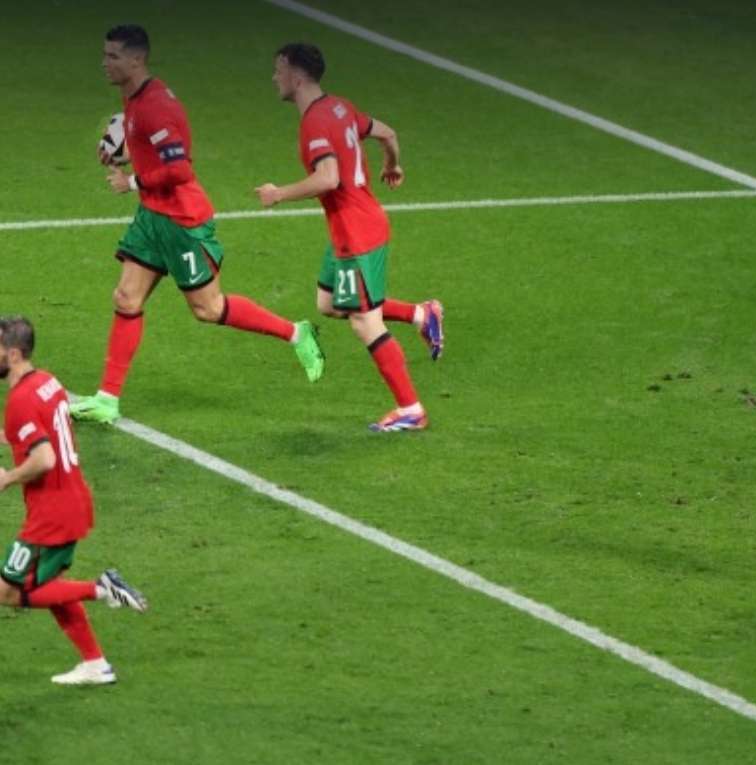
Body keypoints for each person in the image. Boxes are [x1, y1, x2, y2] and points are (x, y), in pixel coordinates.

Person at [70, 24, 325, 425]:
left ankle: (297, 333)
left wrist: (131, 181)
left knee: (208, 309)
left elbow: (180, 170)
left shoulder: (156, 106)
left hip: (182, 222)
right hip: (153, 217)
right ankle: (107, 399)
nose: (105, 63)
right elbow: (156, 149)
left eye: (112, 56)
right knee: (126, 299)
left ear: (136, 60)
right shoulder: (134, 97)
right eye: (105, 54)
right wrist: (127, 152)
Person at [254, 42, 443, 433]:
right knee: (329, 304)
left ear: (297, 76)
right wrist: (392, 165)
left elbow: (328, 178)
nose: (274, 77)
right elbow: (388, 134)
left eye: (279, 70)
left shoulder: (313, 123)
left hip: (356, 234)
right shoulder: (340, 107)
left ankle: (411, 409)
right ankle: (421, 314)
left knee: (363, 322)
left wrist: (279, 194)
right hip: (353, 226)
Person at [0, 316, 148, 686]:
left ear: (13, 354)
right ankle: (96, 664)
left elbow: (44, 458)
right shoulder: (48, 382)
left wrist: (8, 478)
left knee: (7, 591)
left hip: (52, 514)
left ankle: (103, 588)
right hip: (72, 500)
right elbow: (36, 433)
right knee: (52, 584)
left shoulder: (19, 400)